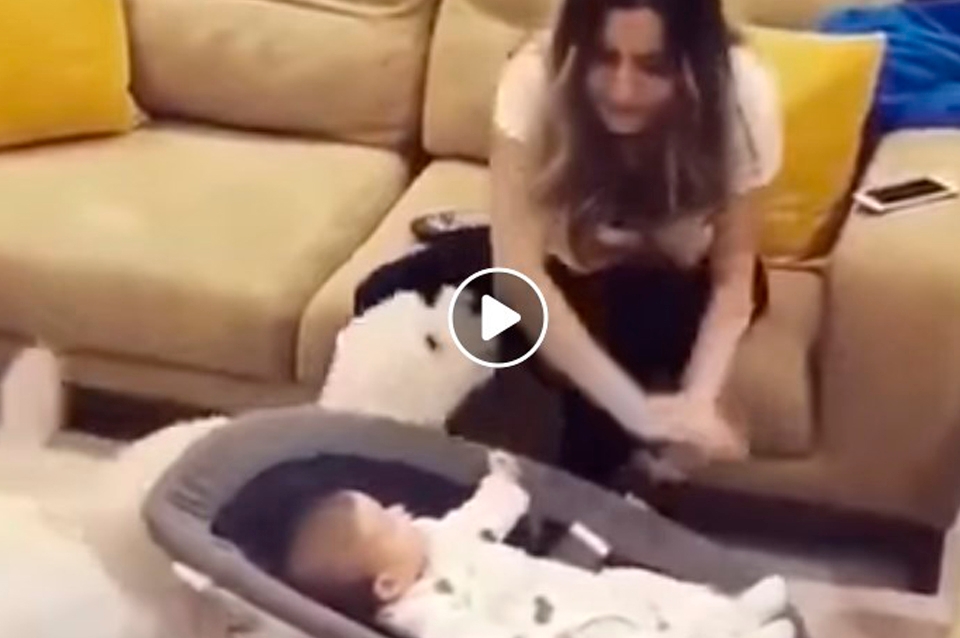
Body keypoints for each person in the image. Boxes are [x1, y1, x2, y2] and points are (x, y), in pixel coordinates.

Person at [282, 450, 794, 638]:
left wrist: (502, 486)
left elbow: (479, 520)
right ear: (388, 584)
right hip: (550, 628)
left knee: (641, 587)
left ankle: (728, 615)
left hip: (568, 589)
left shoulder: (435, 537)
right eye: (388, 523)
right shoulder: (420, 612)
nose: (400, 512)